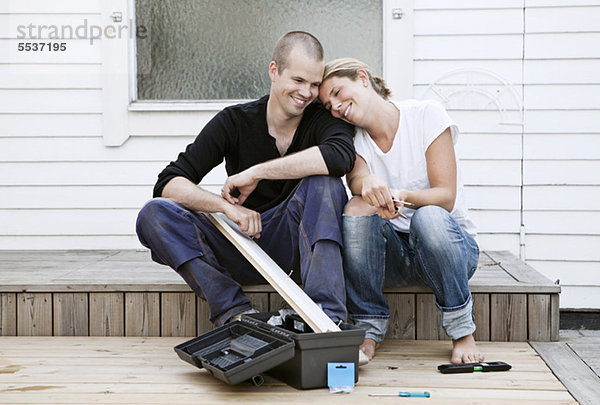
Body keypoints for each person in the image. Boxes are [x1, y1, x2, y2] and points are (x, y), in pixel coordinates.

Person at [136, 32, 355, 328]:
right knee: (154, 214)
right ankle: (236, 313)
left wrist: (257, 172)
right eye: (298, 81)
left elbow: (339, 158)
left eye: (315, 84)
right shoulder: (234, 121)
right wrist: (227, 208)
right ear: (274, 71)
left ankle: (326, 318)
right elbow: (169, 183)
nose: (307, 92)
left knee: (326, 183)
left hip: (293, 241)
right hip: (239, 242)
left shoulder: (322, 119)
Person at [319, 58, 484, 364]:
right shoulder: (354, 142)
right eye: (329, 106)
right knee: (357, 206)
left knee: (430, 216)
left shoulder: (425, 115)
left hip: (449, 252)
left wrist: (401, 196)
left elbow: (445, 196)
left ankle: (462, 333)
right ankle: (368, 330)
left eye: (338, 92)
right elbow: (357, 178)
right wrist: (367, 183)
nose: (336, 106)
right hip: (393, 258)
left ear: (362, 77)